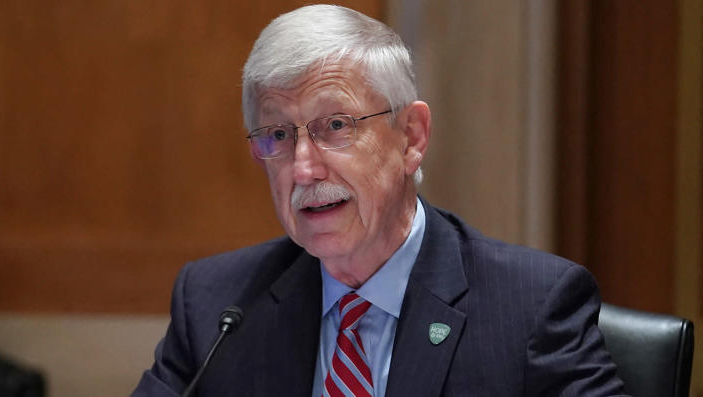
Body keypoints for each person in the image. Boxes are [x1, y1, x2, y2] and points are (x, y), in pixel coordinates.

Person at [132, 4, 627, 396]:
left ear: (410, 137)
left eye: (336, 126)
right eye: (279, 134)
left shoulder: (531, 308)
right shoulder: (217, 306)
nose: (304, 167)